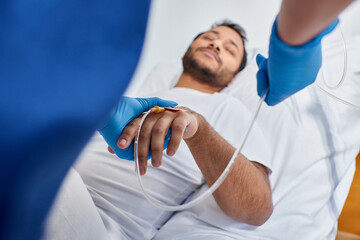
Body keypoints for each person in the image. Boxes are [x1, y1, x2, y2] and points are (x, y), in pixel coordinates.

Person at [45, 20, 274, 239]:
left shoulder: (229, 109)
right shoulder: (137, 100)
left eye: (229, 49)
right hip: (63, 185)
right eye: (209, 37)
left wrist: (198, 129)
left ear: (232, 80)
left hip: (99, 221)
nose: (215, 44)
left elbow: (257, 209)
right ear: (186, 53)